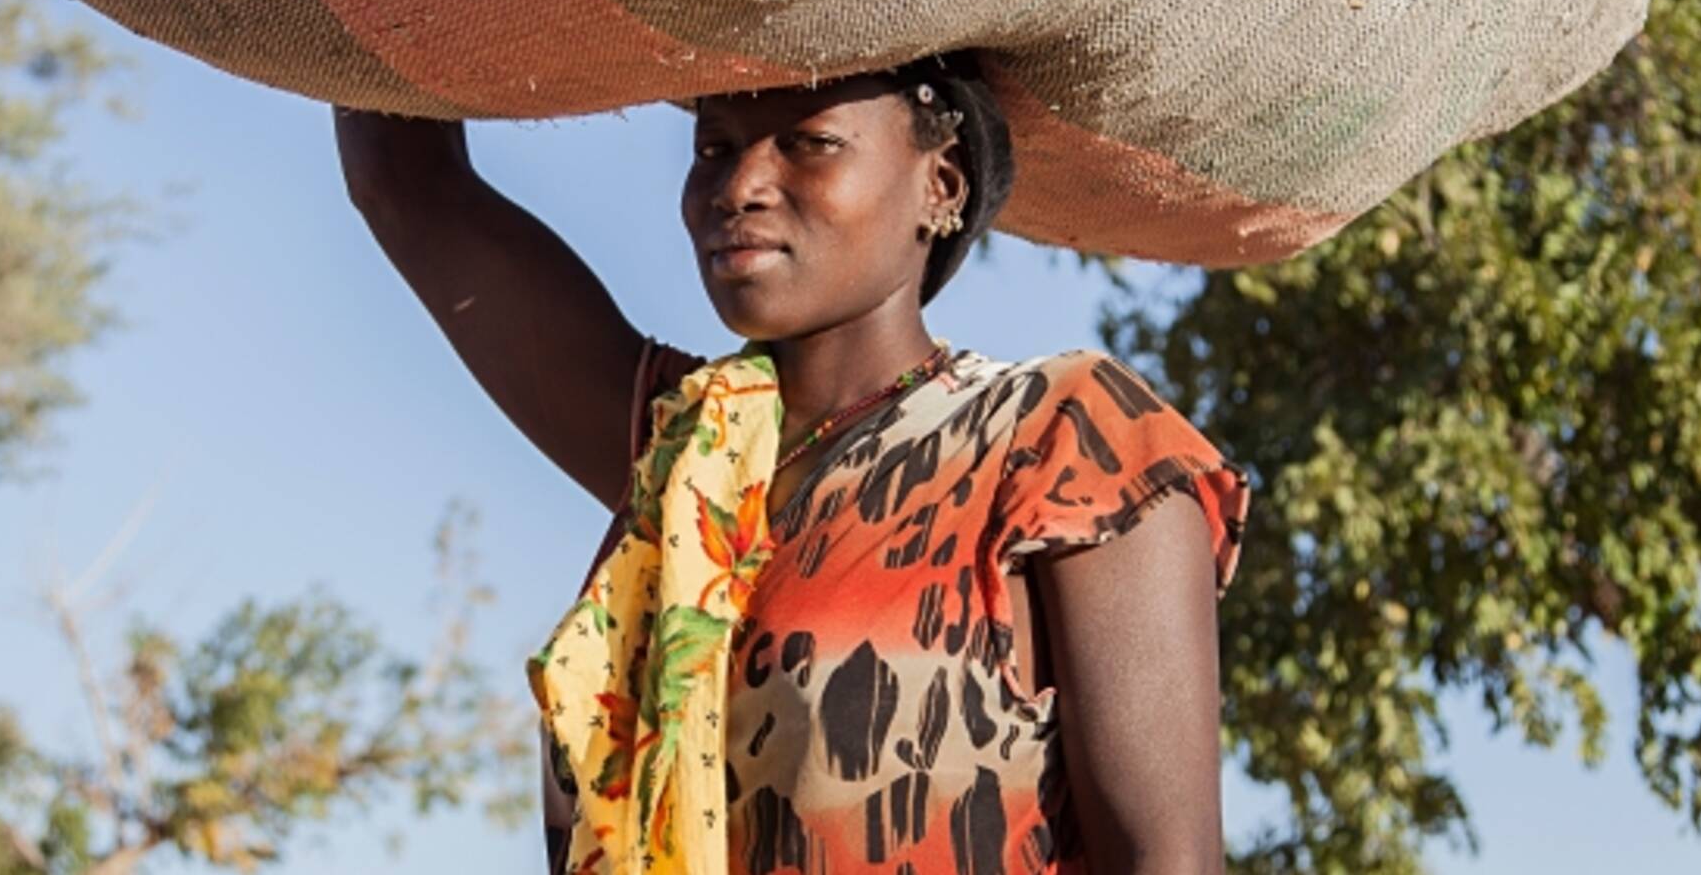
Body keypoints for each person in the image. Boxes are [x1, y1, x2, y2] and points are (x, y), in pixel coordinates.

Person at [335, 54, 1249, 875]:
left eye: (809, 142)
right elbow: (403, 185)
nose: (740, 184)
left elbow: (1165, 860)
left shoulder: (1056, 438)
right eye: (712, 146)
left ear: (941, 183)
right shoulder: (683, 459)